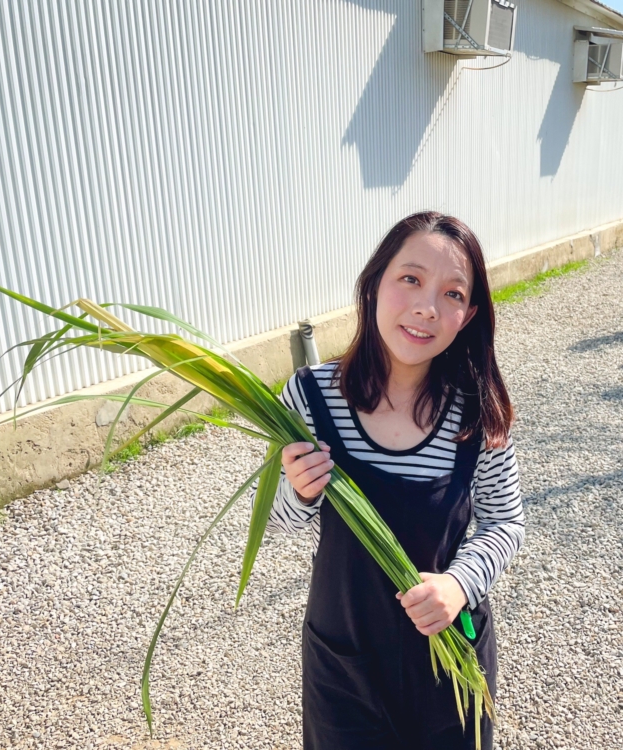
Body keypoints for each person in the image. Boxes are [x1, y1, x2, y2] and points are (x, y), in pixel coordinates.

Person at [265, 212, 524, 750]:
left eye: (452, 294)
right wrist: (299, 491)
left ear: (467, 315)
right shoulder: (311, 397)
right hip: (345, 659)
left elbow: (504, 521)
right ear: (374, 283)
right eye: (410, 278)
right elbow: (277, 521)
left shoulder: (480, 411)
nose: (427, 306)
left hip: (448, 655)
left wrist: (458, 585)